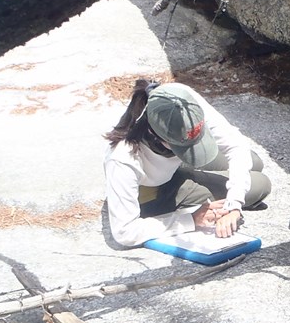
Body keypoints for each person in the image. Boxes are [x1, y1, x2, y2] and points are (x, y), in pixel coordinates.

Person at [104, 80, 271, 247]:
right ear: (156, 135)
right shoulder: (122, 158)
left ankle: (189, 165)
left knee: (253, 161)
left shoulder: (181, 101)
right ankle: (185, 183)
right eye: (185, 146)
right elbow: (124, 232)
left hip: (174, 166)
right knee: (259, 185)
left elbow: (236, 145)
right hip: (155, 189)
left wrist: (234, 204)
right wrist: (191, 220)